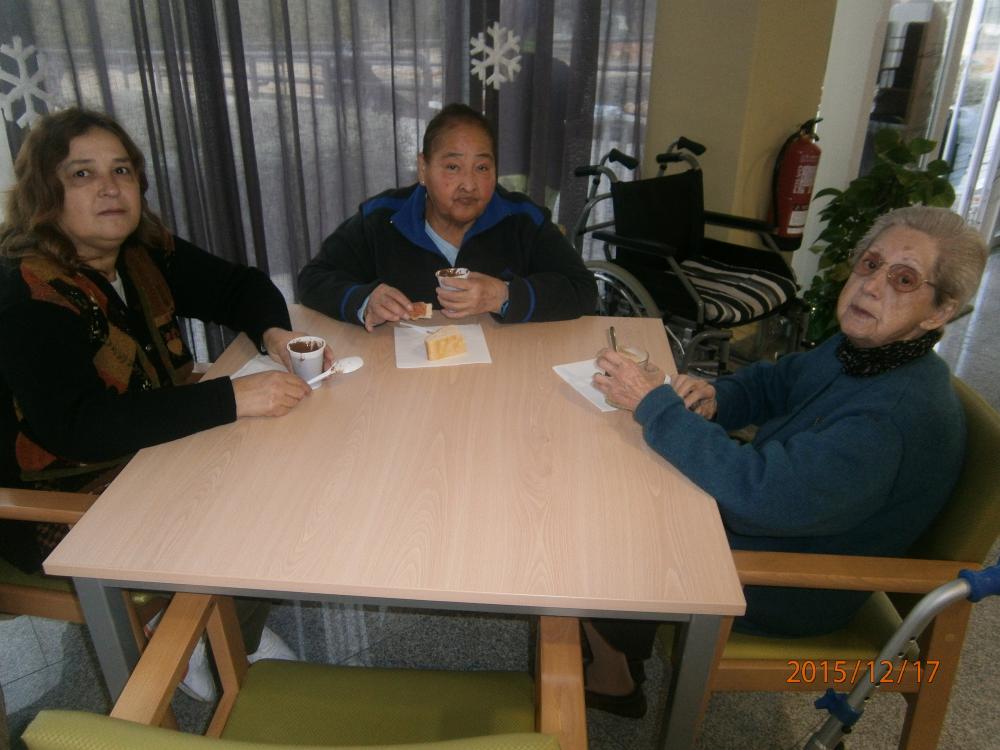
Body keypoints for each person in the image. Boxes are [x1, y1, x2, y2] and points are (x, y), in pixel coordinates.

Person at [586, 205, 988, 717]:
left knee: (603, 524)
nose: (870, 286)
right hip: (785, 527)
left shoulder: (890, 420)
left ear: (938, 312)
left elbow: (759, 497)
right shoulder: (863, 352)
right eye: (870, 264)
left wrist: (655, 405)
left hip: (795, 580)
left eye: (903, 279)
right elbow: (776, 381)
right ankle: (616, 648)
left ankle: (613, 679)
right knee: (625, 479)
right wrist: (718, 396)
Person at [0, 107, 324, 700]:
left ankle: (219, 625)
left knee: (288, 463)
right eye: (82, 174)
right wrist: (228, 397)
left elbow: (240, 286)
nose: (109, 187)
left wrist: (274, 333)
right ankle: (208, 643)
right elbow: (78, 427)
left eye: (121, 170)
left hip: (147, 447)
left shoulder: (140, 253)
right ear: (46, 194)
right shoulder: (26, 293)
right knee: (263, 502)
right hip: (57, 499)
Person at [297, 102, 597, 329]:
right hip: (402, 377)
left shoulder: (523, 218)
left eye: (482, 168)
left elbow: (583, 290)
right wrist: (364, 301)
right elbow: (312, 279)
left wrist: (505, 295)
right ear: (423, 168)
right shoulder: (381, 218)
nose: (469, 184)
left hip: (503, 373)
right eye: (453, 167)